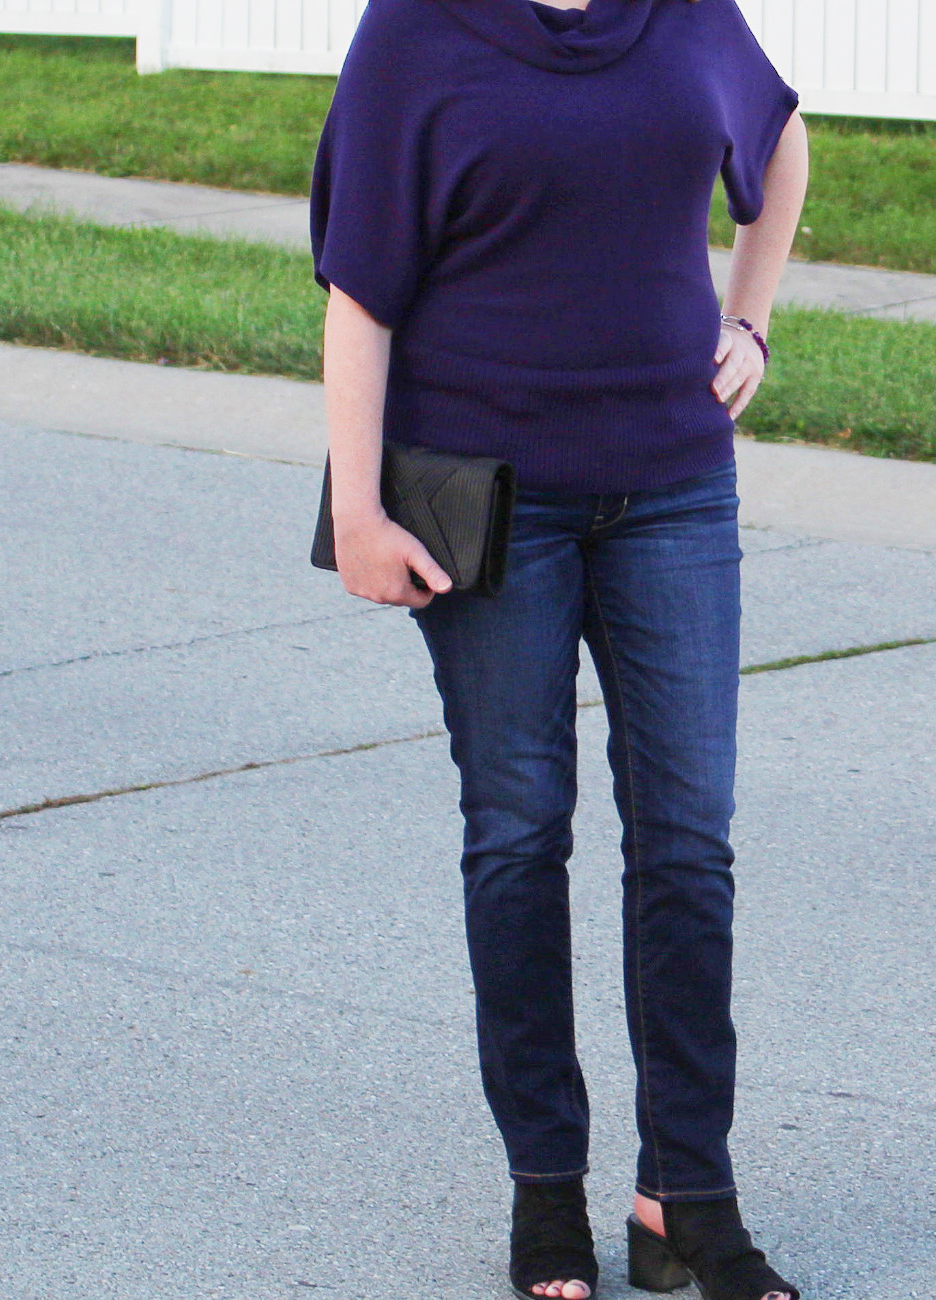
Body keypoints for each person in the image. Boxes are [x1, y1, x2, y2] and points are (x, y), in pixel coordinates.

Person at [309, 0, 809, 1296]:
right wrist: (355, 507)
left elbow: (781, 138)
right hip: (490, 498)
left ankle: (682, 1196)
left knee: (688, 841)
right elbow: (360, 284)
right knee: (520, 834)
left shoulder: (688, 13)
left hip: (674, 491)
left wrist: (747, 319)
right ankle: (546, 1195)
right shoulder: (416, 29)